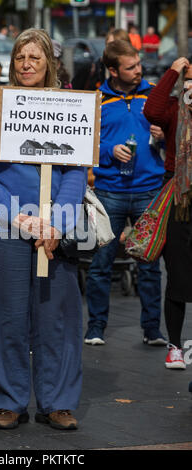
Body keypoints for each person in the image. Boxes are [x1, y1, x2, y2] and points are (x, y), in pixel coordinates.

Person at [0, 28, 86, 431]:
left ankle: (58, 401)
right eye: (21, 57)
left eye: (35, 58)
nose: (26, 64)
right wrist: (19, 216)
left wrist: (57, 222)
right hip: (7, 228)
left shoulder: (69, 106)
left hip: (56, 231)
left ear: (50, 63)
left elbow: (75, 174)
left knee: (58, 318)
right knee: (7, 316)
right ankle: (8, 400)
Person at [84, 40, 166, 346]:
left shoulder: (154, 93)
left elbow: (176, 132)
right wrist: (109, 150)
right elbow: (86, 144)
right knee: (100, 264)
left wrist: (164, 134)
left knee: (150, 265)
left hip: (149, 190)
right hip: (109, 190)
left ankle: (152, 330)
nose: (138, 71)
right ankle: (95, 327)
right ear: (113, 70)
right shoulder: (97, 100)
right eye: (131, 67)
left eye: (139, 65)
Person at [144, 57, 192, 369]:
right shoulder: (176, 110)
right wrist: (172, 70)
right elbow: (152, 111)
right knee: (176, 271)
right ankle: (175, 345)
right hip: (179, 196)